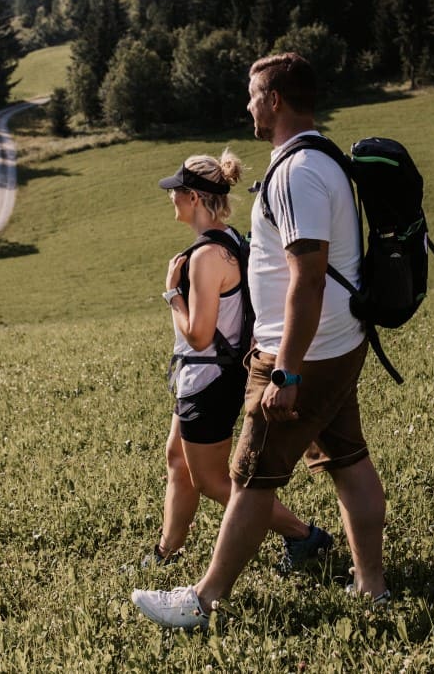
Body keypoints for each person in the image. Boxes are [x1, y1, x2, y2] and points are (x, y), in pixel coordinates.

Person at [131, 52, 389, 629]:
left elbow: (308, 276)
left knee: (249, 478)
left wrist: (285, 371)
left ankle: (203, 601)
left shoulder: (298, 172)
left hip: (303, 353)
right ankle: (371, 586)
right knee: (348, 461)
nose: (248, 106)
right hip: (335, 342)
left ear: (274, 100)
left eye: (253, 96)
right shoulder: (322, 158)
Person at [145, 149, 331, 569]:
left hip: (208, 380)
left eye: (176, 191)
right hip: (214, 375)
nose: (171, 197)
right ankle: (165, 553)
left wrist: (173, 295)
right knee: (178, 460)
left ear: (194, 197)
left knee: (212, 481)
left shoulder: (206, 258)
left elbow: (199, 336)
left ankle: (304, 536)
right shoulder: (229, 240)